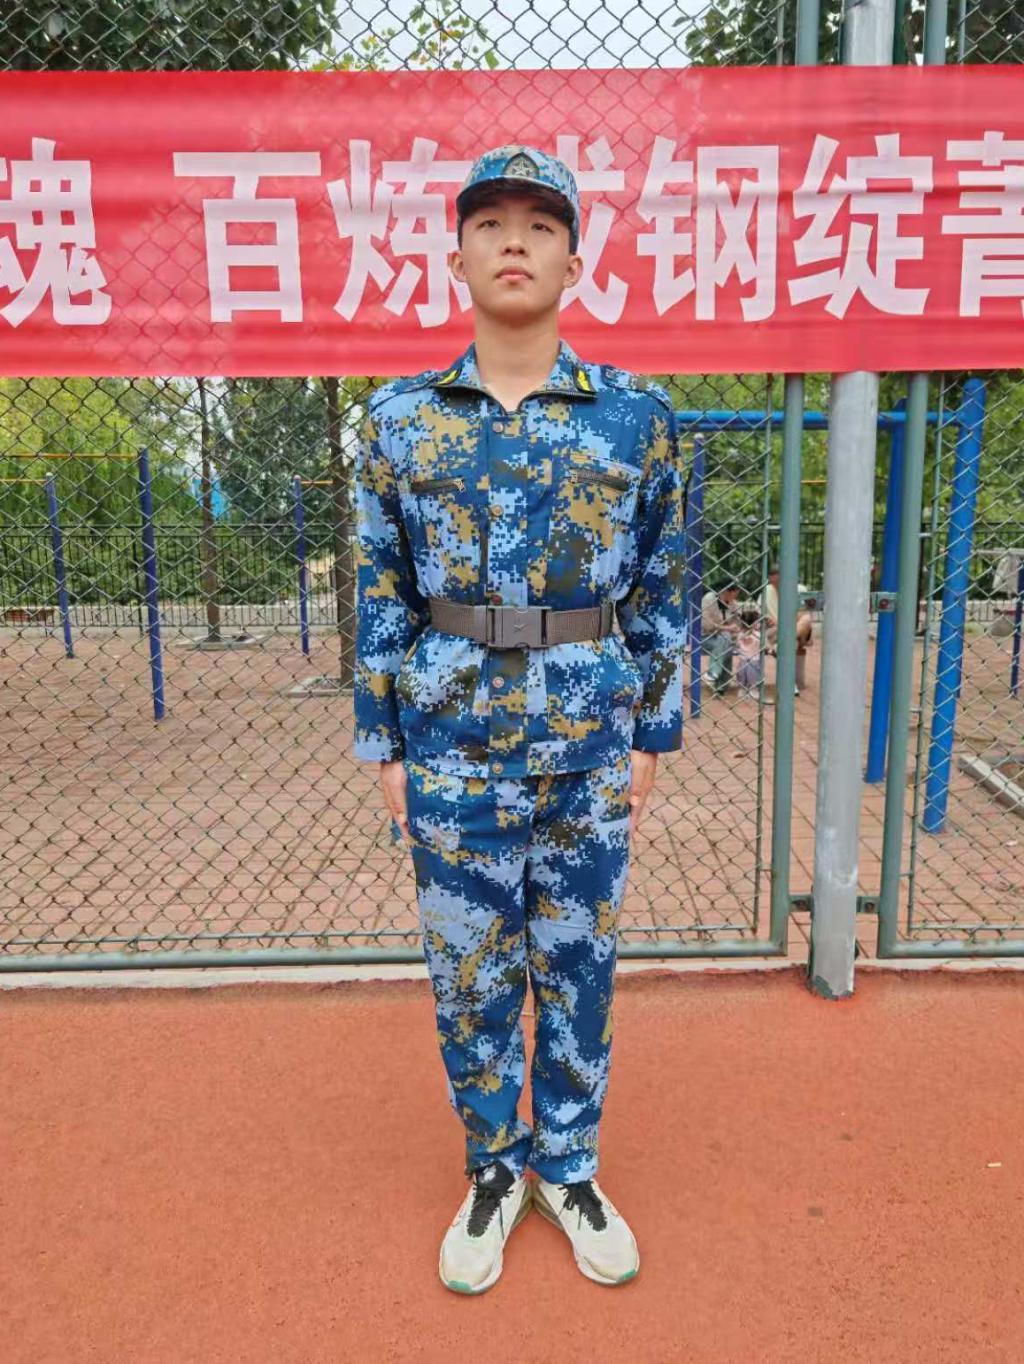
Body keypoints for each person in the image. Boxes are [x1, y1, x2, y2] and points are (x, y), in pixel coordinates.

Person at [352, 145, 686, 1294]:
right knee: (470, 971)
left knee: (579, 964)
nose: (513, 241)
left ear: (573, 263)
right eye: (490, 222)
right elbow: (379, 590)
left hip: (588, 741)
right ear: (454, 256)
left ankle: (571, 1163)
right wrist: (383, 742)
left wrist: (653, 732)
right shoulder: (399, 422)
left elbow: (662, 585)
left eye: (540, 225)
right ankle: (495, 1165)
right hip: (449, 743)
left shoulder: (635, 419)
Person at [762, 564, 813, 695]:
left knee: (806, 619)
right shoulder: (765, 591)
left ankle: (782, 645)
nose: (777, 586)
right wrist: (768, 618)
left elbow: (803, 615)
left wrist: (784, 624)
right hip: (776, 633)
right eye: (774, 583)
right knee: (791, 643)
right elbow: (760, 615)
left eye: (780, 582)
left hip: (797, 631)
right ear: (770, 580)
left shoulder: (800, 589)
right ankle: (790, 683)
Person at [699, 581, 742, 695]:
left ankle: (714, 677)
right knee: (725, 639)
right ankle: (719, 681)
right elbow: (706, 625)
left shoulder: (733, 604)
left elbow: (737, 624)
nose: (736, 597)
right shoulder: (708, 599)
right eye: (735, 593)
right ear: (726, 591)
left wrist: (732, 628)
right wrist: (727, 627)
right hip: (705, 638)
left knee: (725, 640)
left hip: (723, 639)